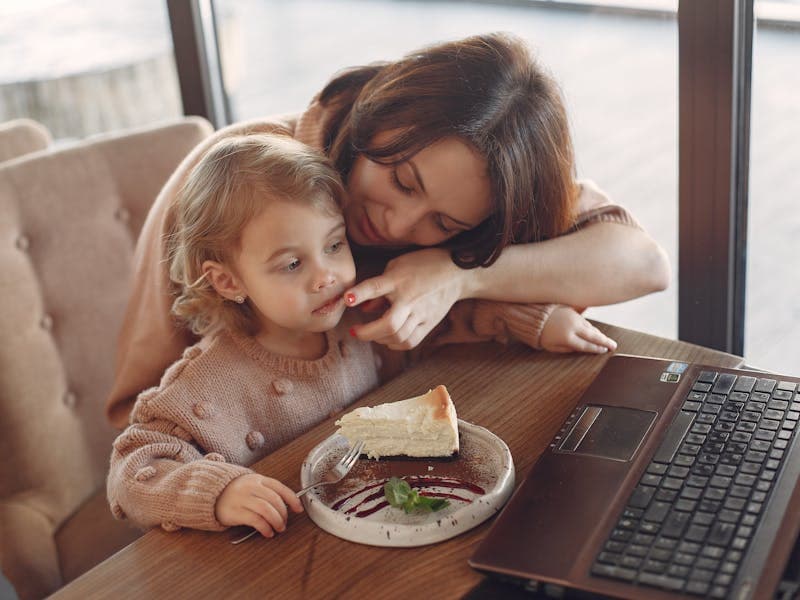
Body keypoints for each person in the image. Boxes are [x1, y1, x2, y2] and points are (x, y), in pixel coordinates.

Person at [105, 31, 670, 429]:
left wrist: (456, 276)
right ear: (377, 116)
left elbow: (644, 265)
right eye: (401, 179)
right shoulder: (234, 184)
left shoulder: (487, 183)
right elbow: (142, 407)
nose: (396, 224)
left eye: (445, 223)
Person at [107, 134, 380, 538]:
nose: (326, 275)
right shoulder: (203, 384)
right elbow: (130, 469)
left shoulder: (360, 321)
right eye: (292, 264)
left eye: (335, 244)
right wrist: (219, 492)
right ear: (228, 281)